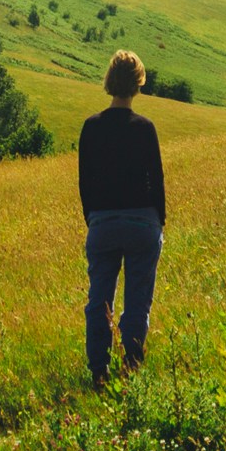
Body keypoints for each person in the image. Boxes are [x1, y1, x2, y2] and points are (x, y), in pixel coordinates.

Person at [78, 48, 166, 387]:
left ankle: (99, 373)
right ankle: (130, 372)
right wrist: (159, 221)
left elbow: (85, 181)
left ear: (109, 81)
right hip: (143, 223)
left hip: (103, 223)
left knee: (99, 300)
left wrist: (94, 219)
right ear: (139, 84)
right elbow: (156, 181)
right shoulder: (145, 128)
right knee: (137, 303)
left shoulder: (91, 127)